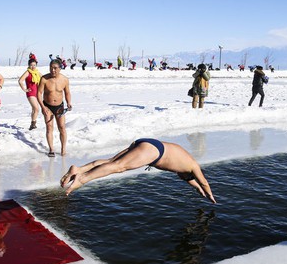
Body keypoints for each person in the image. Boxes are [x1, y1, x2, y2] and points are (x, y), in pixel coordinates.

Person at [60, 138, 216, 203]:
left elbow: (195, 183)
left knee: (111, 162)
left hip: (149, 143)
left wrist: (201, 191)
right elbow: (204, 182)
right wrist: (210, 195)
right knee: (119, 167)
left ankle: (79, 169)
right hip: (155, 151)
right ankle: (82, 179)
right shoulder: (193, 166)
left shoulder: (186, 168)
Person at [37, 59, 72, 157]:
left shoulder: (65, 79)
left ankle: (63, 148)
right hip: (47, 106)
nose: (53, 70)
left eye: (55, 68)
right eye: (51, 68)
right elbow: (39, 93)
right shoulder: (44, 79)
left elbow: (67, 92)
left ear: (60, 68)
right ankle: (51, 149)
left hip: (59, 106)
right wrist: (42, 107)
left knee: (62, 127)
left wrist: (69, 102)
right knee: (49, 127)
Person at [18, 58, 42, 130]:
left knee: (34, 110)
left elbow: (44, 78)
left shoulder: (37, 72)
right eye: (31, 65)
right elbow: (20, 81)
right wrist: (24, 89)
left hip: (37, 93)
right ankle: (33, 124)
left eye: (34, 65)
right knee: (36, 109)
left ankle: (32, 124)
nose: (33, 67)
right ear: (29, 65)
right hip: (30, 93)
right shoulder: (28, 72)